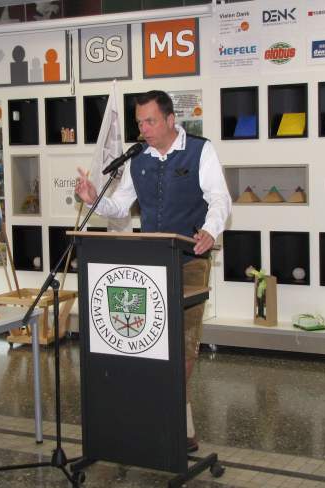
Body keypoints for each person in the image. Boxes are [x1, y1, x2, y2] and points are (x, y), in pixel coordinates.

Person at [75, 90, 232, 452]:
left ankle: (177, 421)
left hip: (190, 261)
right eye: (139, 122)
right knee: (149, 343)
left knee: (184, 346)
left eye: (150, 121)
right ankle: (161, 421)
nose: (143, 128)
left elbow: (219, 197)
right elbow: (120, 207)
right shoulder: (137, 159)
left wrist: (211, 229)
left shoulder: (200, 150)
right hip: (149, 265)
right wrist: (94, 198)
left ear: (170, 119)